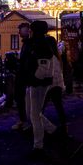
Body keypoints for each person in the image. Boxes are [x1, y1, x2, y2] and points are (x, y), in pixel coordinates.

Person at [25, 20, 58, 157]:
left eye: (31, 30)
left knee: (35, 114)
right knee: (32, 112)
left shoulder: (41, 46)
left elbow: (43, 66)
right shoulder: (36, 44)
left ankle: (38, 146)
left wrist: (35, 78)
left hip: (38, 84)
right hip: (33, 82)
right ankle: (50, 128)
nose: (29, 32)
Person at [43, 36, 67, 135]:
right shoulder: (57, 56)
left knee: (39, 108)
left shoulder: (49, 56)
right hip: (57, 84)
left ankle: (44, 127)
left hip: (50, 85)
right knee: (59, 106)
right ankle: (64, 127)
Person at [11, 22, 32, 131]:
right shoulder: (26, 44)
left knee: (23, 99)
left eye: (21, 30)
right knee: (21, 99)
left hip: (24, 77)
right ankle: (24, 120)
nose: (19, 33)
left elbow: (27, 62)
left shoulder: (28, 45)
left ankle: (26, 121)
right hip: (23, 75)